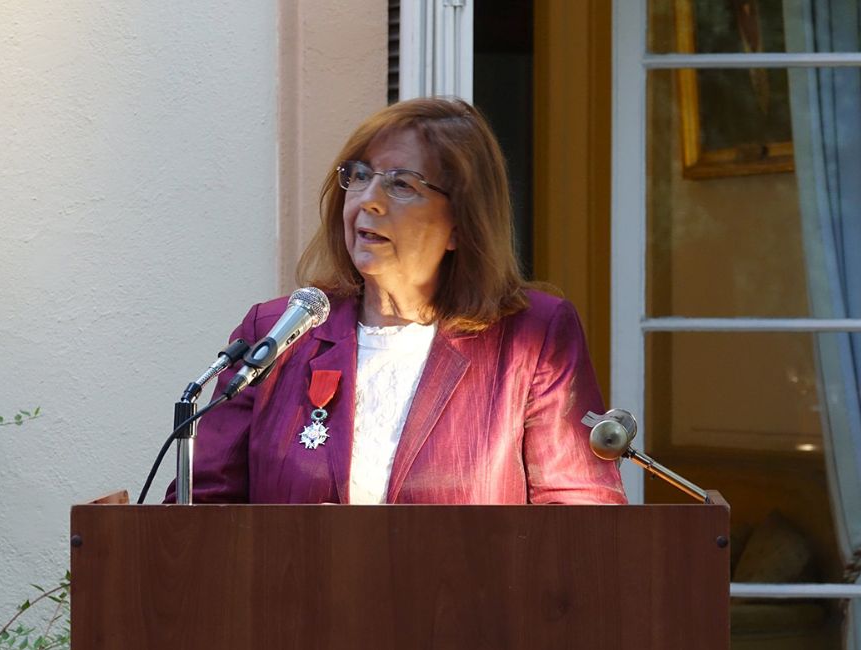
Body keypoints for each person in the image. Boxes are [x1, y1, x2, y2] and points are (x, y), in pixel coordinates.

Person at [166, 97, 626, 505]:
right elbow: (203, 510)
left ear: (461, 224)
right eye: (360, 176)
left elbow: (578, 524)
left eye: (401, 184)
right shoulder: (278, 331)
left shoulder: (532, 337)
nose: (368, 200)